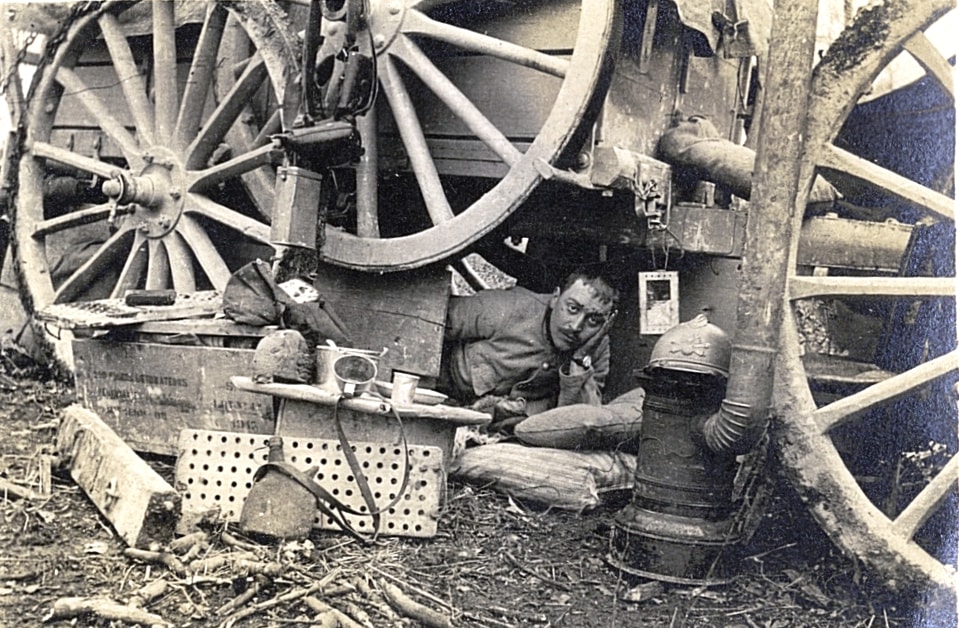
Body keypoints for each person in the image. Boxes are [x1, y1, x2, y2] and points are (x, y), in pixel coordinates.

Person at [439, 268, 619, 428]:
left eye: (594, 320)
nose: (576, 326)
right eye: (572, 308)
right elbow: (430, 319)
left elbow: (585, 422)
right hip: (438, 394)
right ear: (555, 297)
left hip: (496, 426)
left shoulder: (596, 347)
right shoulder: (507, 307)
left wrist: (580, 361)